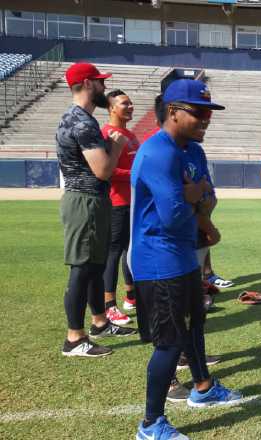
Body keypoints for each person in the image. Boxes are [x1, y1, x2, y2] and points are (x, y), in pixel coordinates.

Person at [131, 79, 242, 440]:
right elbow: (173, 216)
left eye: (209, 113)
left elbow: (209, 196)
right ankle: (150, 425)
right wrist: (193, 199)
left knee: (195, 325)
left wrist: (192, 198)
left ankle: (204, 388)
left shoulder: (193, 150)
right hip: (157, 260)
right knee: (170, 342)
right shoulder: (157, 153)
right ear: (173, 111)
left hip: (184, 255)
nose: (206, 120)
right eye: (198, 112)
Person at [57, 63, 137, 358]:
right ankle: (75, 339)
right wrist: (115, 146)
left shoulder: (78, 118)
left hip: (90, 200)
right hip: (86, 199)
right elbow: (103, 170)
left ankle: (100, 322)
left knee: (93, 267)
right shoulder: (82, 121)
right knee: (82, 268)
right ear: (89, 84)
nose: (105, 88)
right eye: (101, 83)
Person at [101, 89, 139, 324]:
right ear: (111, 108)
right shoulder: (107, 134)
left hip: (134, 203)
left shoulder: (131, 134)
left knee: (130, 251)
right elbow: (106, 171)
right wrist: (136, 174)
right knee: (113, 253)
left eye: (131, 102)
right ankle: (109, 305)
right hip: (116, 203)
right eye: (125, 103)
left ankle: (131, 296)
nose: (131, 106)